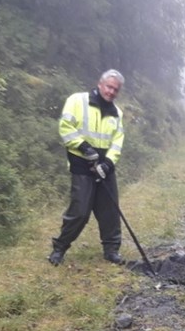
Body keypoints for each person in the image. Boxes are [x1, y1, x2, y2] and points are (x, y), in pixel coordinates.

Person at [48, 69, 126, 266]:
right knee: (80, 211)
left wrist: (108, 164)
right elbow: (65, 127)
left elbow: (117, 142)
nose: (111, 92)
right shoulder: (77, 101)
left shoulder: (117, 113)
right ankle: (60, 248)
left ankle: (111, 250)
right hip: (82, 165)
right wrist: (83, 147)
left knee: (109, 210)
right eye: (109, 86)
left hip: (105, 168)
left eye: (115, 89)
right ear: (100, 84)